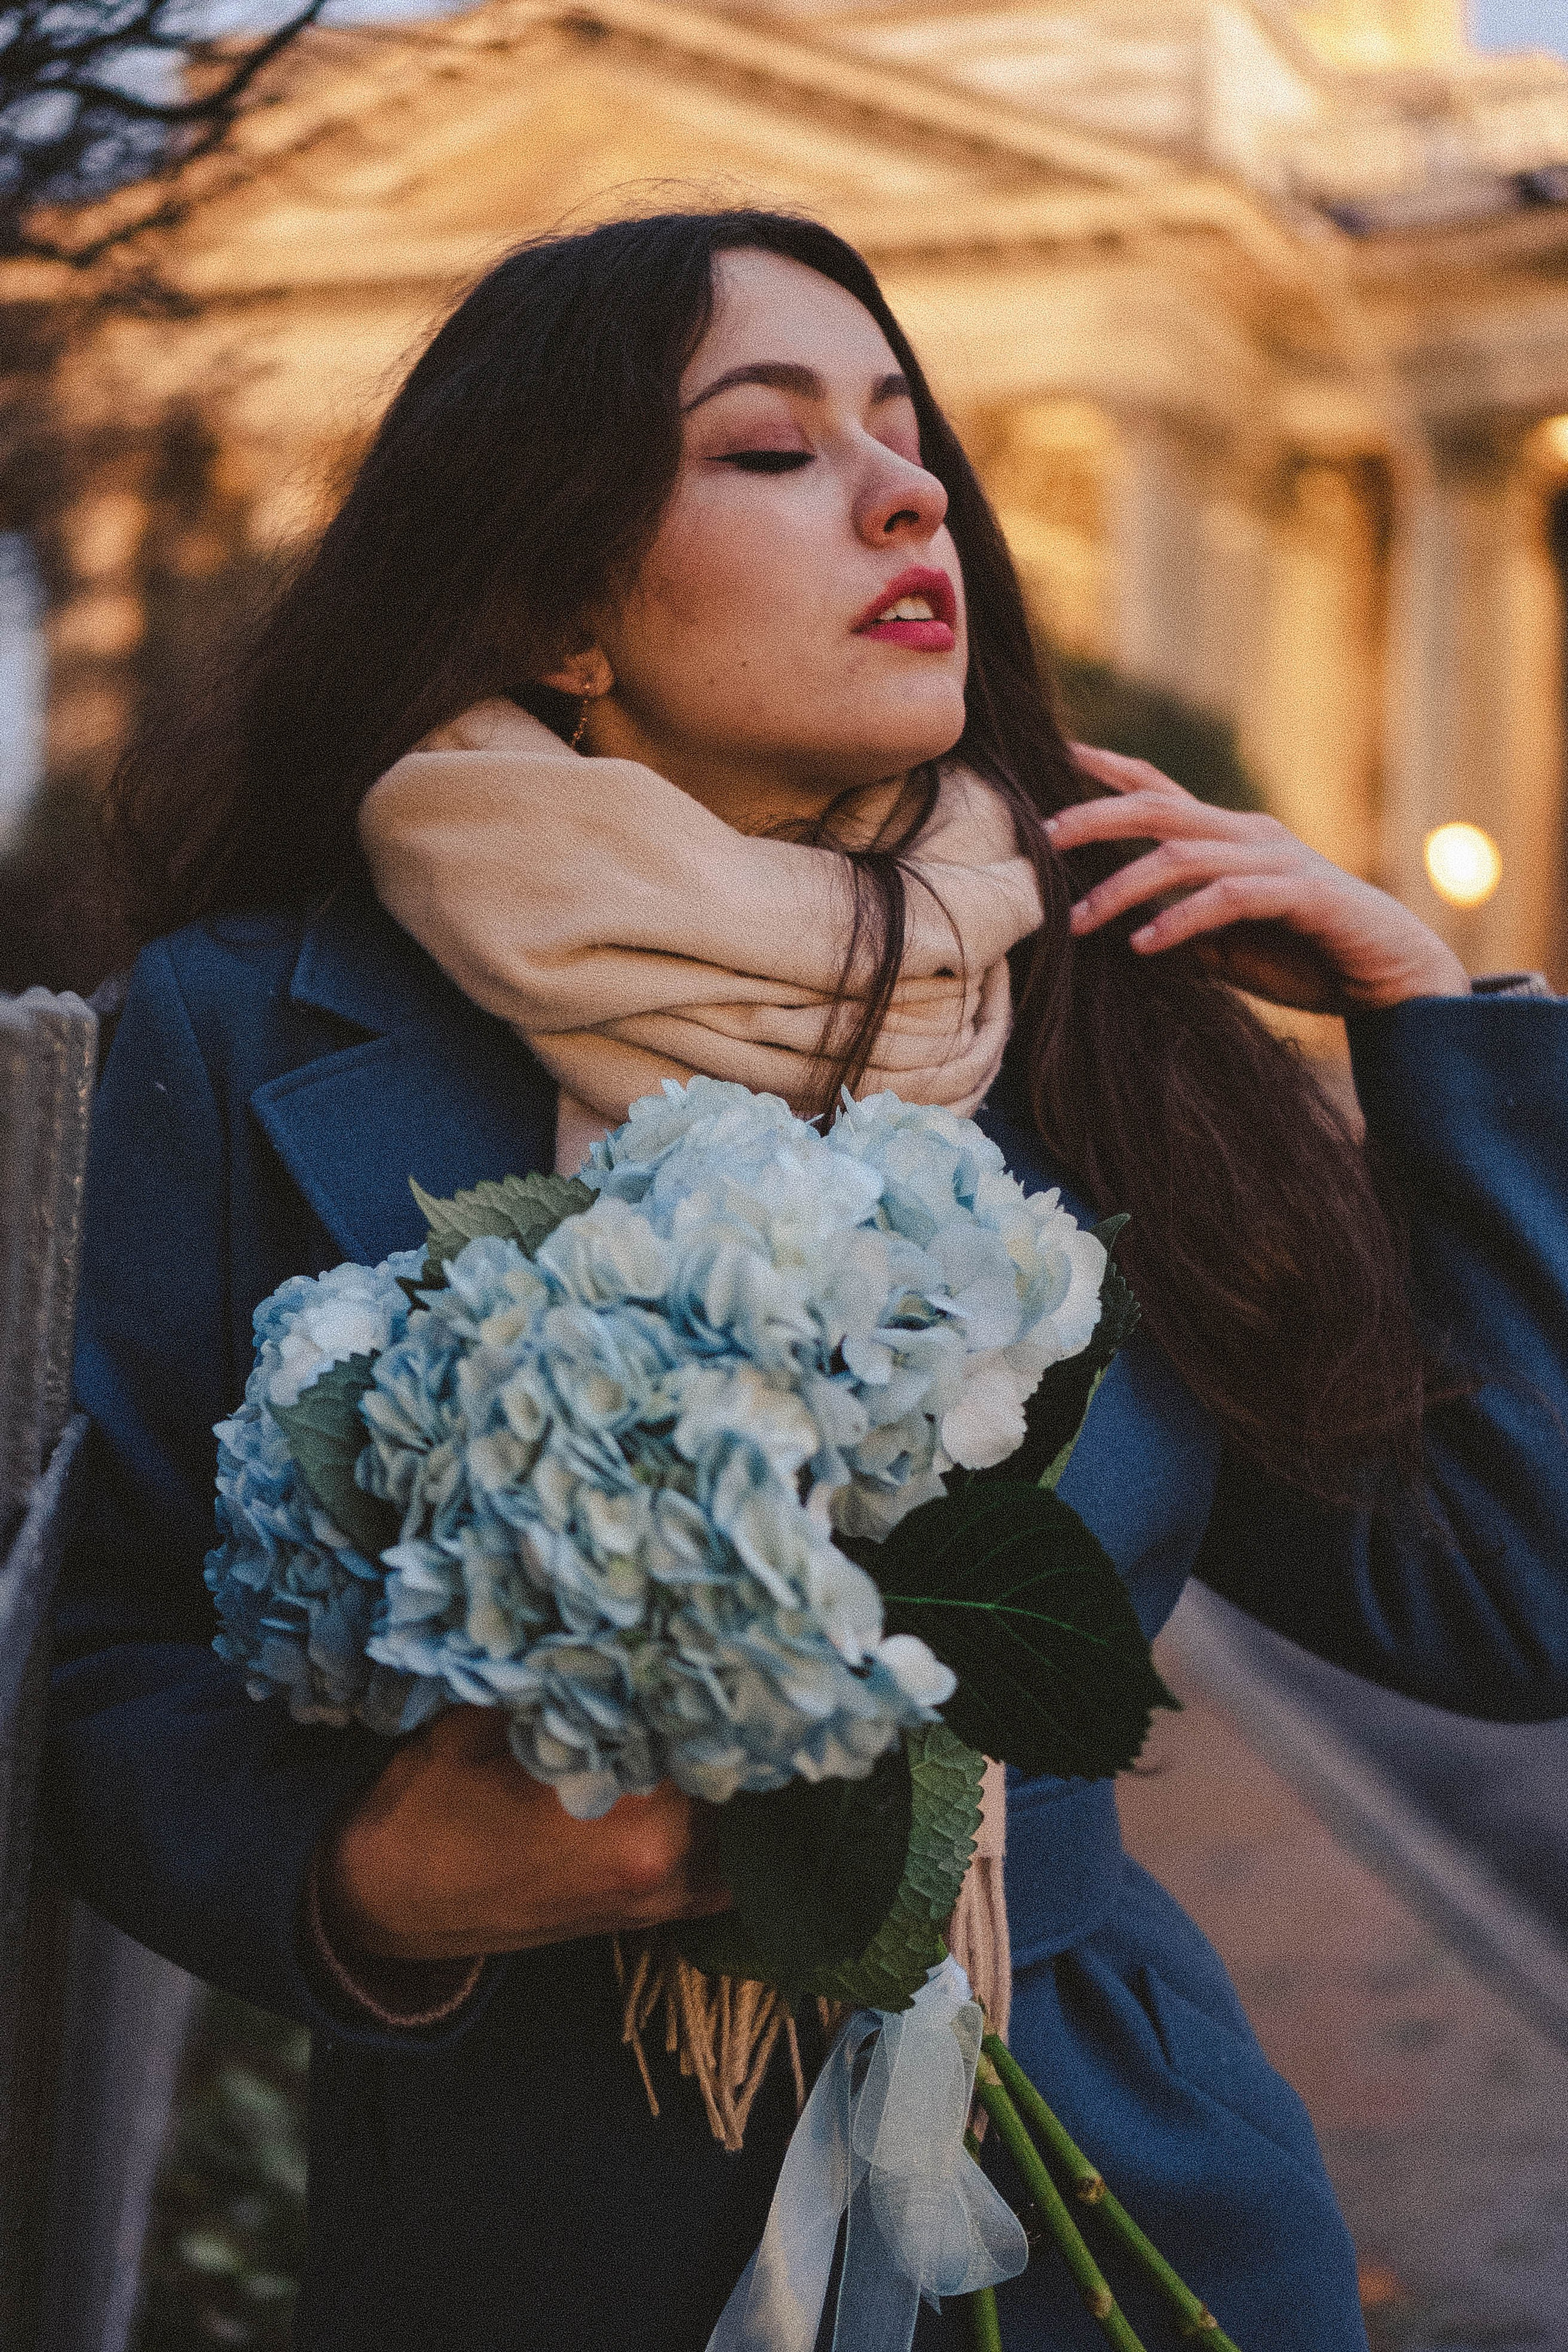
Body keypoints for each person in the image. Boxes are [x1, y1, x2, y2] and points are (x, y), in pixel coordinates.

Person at [43, 209, 1567, 2352]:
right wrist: (374, 1878)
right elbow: (110, 1663)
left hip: (1110, 2217)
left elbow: (1508, 1592)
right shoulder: (253, 1026)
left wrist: (1438, 1024)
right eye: (770, 450)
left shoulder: (1088, 1008)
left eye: (906, 429)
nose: (910, 486)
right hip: (533, 2240)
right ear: (563, 603)